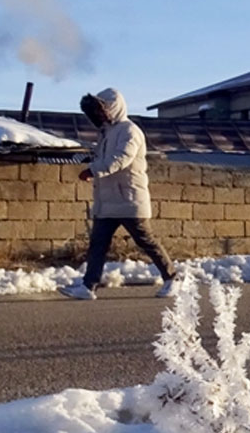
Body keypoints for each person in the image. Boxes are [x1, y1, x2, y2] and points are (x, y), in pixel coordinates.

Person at [58, 87, 176, 300]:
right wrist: (91, 163)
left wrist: (93, 170)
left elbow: (120, 159)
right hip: (108, 201)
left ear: (114, 108)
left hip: (129, 199)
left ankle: (172, 278)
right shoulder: (107, 132)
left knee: (146, 241)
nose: (99, 115)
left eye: (102, 110)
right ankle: (88, 286)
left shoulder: (130, 131)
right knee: (97, 245)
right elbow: (106, 158)